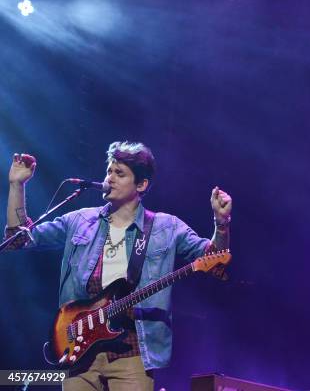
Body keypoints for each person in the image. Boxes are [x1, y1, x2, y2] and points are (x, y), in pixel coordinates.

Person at [4, 141, 232, 391]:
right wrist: (17, 184)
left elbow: (215, 260)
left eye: (119, 173)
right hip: (79, 350)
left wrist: (221, 224)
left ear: (141, 185)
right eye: (109, 171)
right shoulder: (80, 221)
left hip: (132, 352)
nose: (110, 178)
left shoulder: (166, 227)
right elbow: (21, 238)